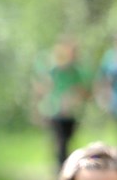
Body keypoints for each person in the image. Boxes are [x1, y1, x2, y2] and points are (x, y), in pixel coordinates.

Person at [31, 38, 92, 170]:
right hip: (55, 111)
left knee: (67, 139)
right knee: (60, 140)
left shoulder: (75, 71)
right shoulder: (53, 70)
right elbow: (43, 86)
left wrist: (76, 98)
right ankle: (61, 168)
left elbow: (82, 89)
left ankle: (63, 166)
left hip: (71, 112)